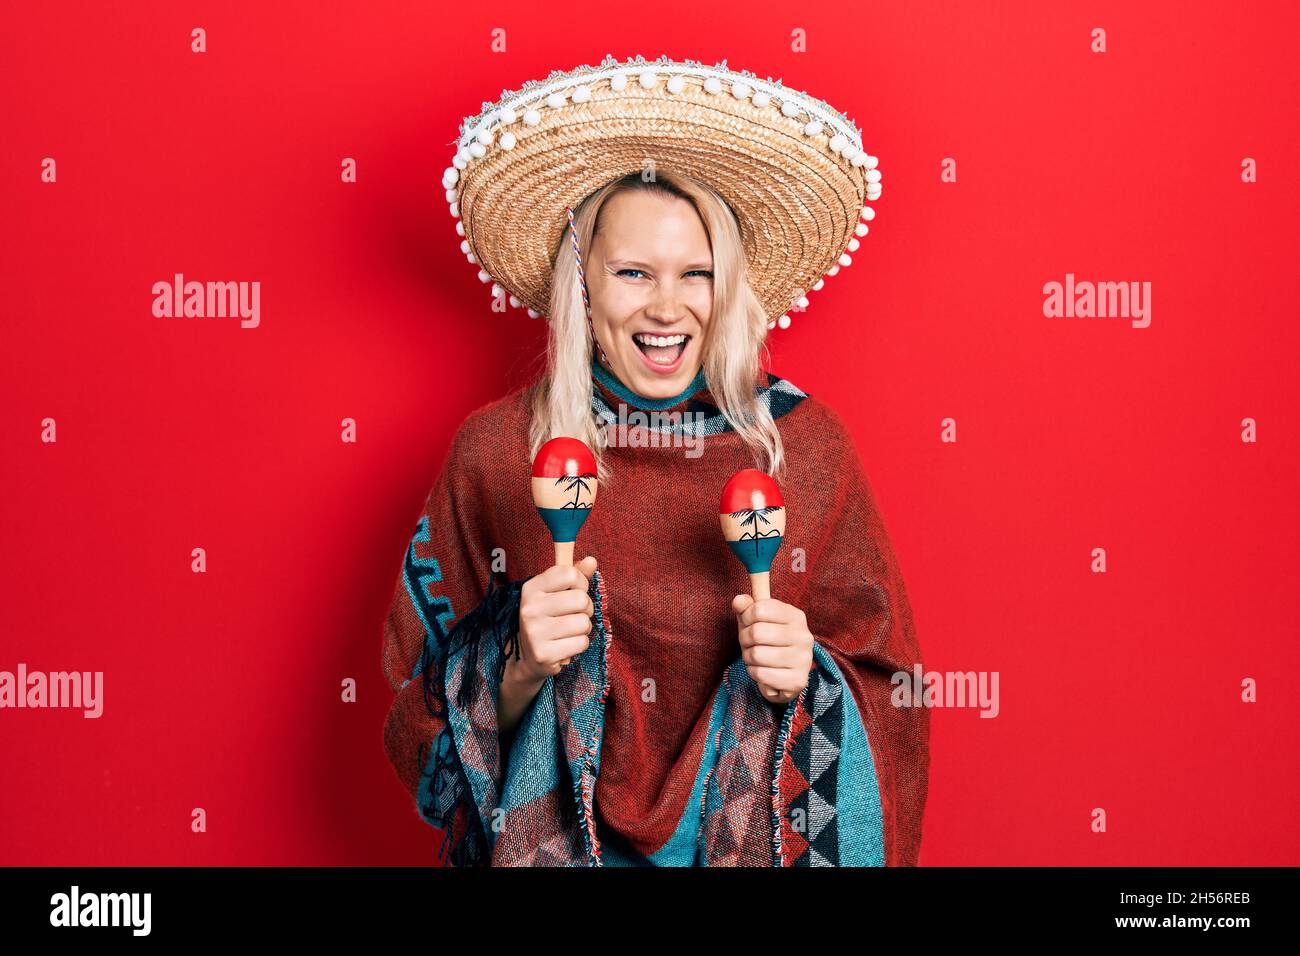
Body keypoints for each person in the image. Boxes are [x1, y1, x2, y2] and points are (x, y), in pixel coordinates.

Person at [381, 54, 927, 866]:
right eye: (632, 273)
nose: (666, 308)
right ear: (584, 287)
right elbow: (414, 728)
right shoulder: (500, 452)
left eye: (695, 274)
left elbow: (898, 696)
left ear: (729, 287)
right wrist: (516, 665)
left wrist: (809, 678)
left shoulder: (804, 448)